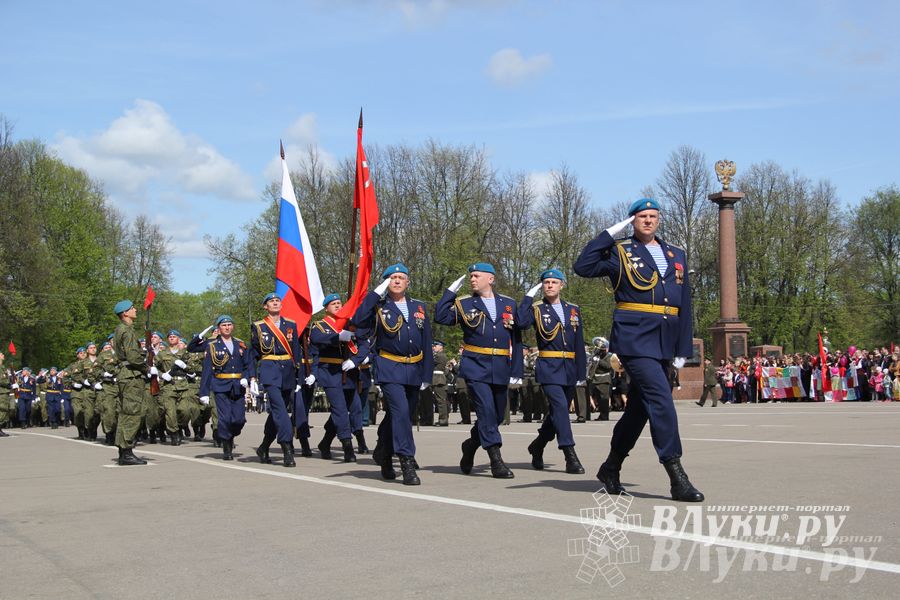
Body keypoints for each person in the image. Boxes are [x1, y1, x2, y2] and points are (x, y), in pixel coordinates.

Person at [574, 198, 703, 502]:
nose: (648, 220)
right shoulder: (619, 251)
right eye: (641, 216)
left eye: (653, 216)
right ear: (632, 220)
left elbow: (684, 304)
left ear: (659, 219)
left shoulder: (676, 254)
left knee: (641, 408)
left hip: (665, 340)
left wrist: (683, 348)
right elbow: (583, 266)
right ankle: (676, 474)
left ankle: (611, 466)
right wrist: (609, 234)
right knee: (660, 399)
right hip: (635, 338)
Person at [435, 262, 523, 479]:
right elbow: (441, 317)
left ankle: (471, 445)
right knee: (485, 411)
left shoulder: (509, 304)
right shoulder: (465, 303)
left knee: (495, 416)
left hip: (501, 366)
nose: (472, 279)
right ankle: (496, 459)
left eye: (476, 275)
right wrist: (449, 293)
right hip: (475, 365)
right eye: (471, 276)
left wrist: (517, 369)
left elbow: (517, 339)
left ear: (490, 279)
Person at [352, 264, 433, 485]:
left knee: (402, 415)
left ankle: (383, 453)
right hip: (389, 367)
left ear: (407, 282)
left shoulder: (419, 307)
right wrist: (373, 295)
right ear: (386, 283)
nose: (396, 281)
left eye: (401, 278)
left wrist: (427, 373)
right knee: (400, 412)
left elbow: (426, 340)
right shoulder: (378, 305)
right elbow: (358, 321)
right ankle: (406, 460)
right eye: (392, 278)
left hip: (414, 368)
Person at [517, 268, 587, 474]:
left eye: (554, 282)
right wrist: (528, 297)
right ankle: (569, 454)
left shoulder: (573, 309)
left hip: (569, 368)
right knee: (560, 408)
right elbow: (520, 323)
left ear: (561, 285)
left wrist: (581, 374)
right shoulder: (537, 308)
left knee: (559, 412)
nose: (549, 285)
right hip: (549, 367)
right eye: (546, 282)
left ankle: (538, 445)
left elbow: (579, 344)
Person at [310, 294, 369, 464]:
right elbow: (317, 339)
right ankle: (347, 447)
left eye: (339, 303)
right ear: (326, 308)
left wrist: (358, 359)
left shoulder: (349, 324)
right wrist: (337, 337)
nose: (337, 305)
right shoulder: (320, 326)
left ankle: (325, 442)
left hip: (349, 372)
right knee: (340, 410)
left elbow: (363, 341)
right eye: (333, 304)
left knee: (354, 408)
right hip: (330, 372)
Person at [251, 293, 301, 468]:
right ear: (265, 306)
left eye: (277, 300)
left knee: (277, 414)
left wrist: (300, 376)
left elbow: (296, 350)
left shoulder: (291, 324)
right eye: (271, 301)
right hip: (269, 370)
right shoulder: (259, 326)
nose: (275, 302)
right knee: (280, 410)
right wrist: (251, 376)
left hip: (287, 369)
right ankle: (287, 447)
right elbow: (254, 353)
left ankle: (264, 447)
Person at [199, 315, 251, 460]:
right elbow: (207, 369)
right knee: (225, 418)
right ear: (219, 328)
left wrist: (247, 378)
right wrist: (203, 392)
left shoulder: (240, 344)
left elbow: (248, 364)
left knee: (239, 419)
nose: (227, 327)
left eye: (229, 324)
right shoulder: (213, 345)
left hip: (238, 386)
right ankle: (227, 446)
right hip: (220, 385)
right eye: (224, 325)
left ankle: (230, 435)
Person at [112, 300, 148, 466]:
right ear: (125, 313)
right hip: (131, 376)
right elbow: (133, 357)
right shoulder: (127, 331)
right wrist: (147, 368)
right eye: (132, 308)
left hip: (125, 375)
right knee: (133, 414)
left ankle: (123, 451)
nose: (135, 310)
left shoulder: (120, 329)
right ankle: (126, 452)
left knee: (125, 413)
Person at [588, 337, 612, 421]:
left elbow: (608, 366)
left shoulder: (608, 356)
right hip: (596, 380)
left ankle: (605, 415)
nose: (599, 349)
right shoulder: (597, 356)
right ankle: (602, 415)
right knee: (599, 399)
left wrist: (599, 361)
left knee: (604, 399)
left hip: (604, 380)